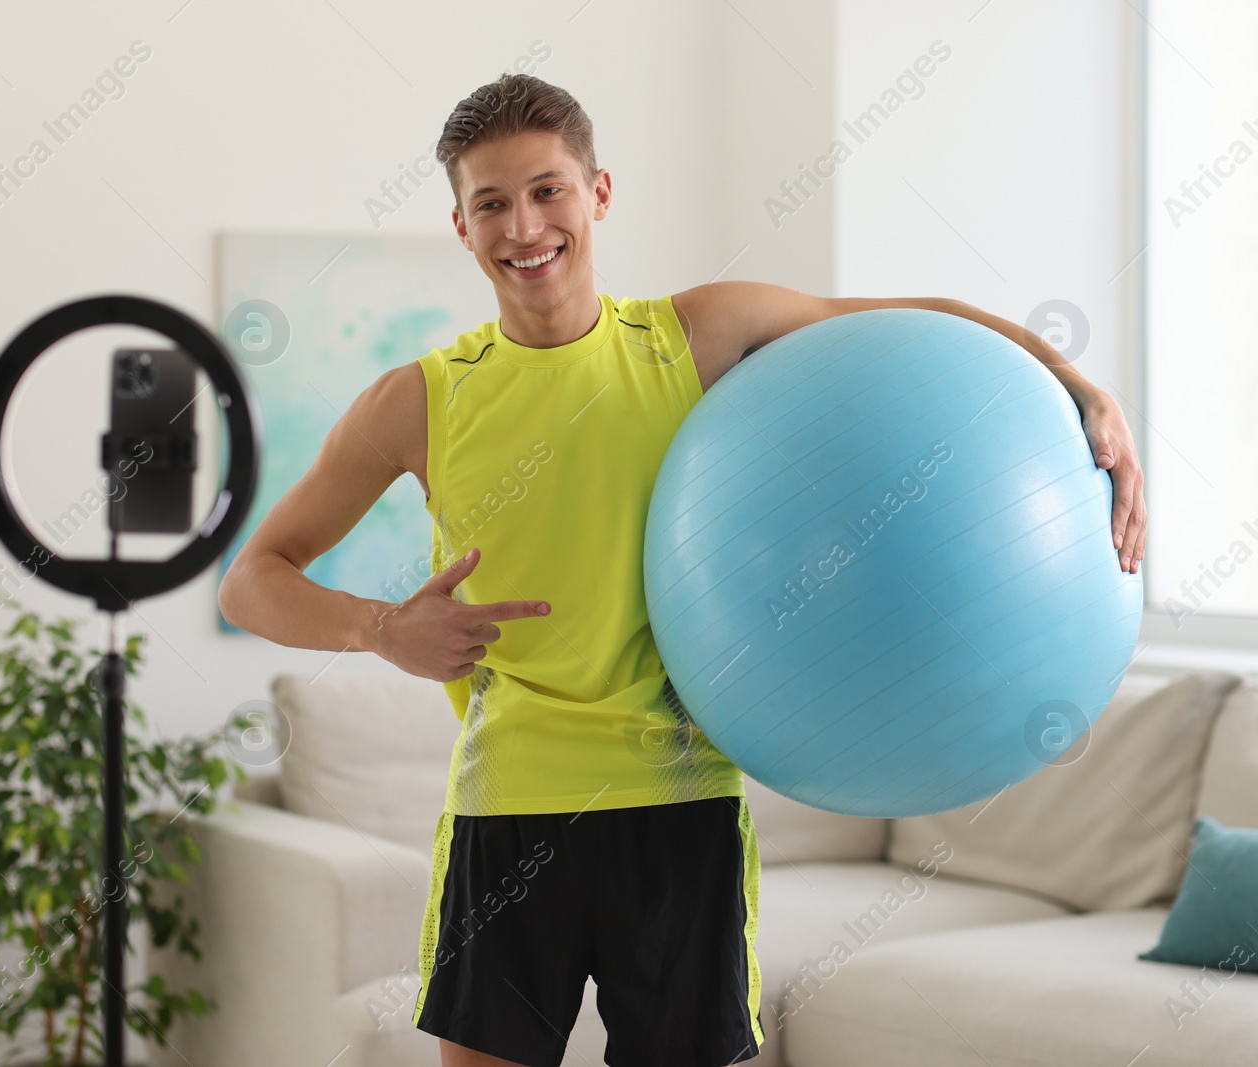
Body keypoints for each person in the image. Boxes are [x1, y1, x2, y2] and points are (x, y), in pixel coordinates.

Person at [216, 73, 1145, 1067]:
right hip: (511, 809)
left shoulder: (694, 337)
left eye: (546, 190)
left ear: (598, 193)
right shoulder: (419, 401)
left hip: (681, 806)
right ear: (460, 224)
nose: (523, 224)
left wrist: (1082, 387)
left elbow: (913, 323)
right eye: (491, 202)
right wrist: (378, 628)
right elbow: (252, 578)